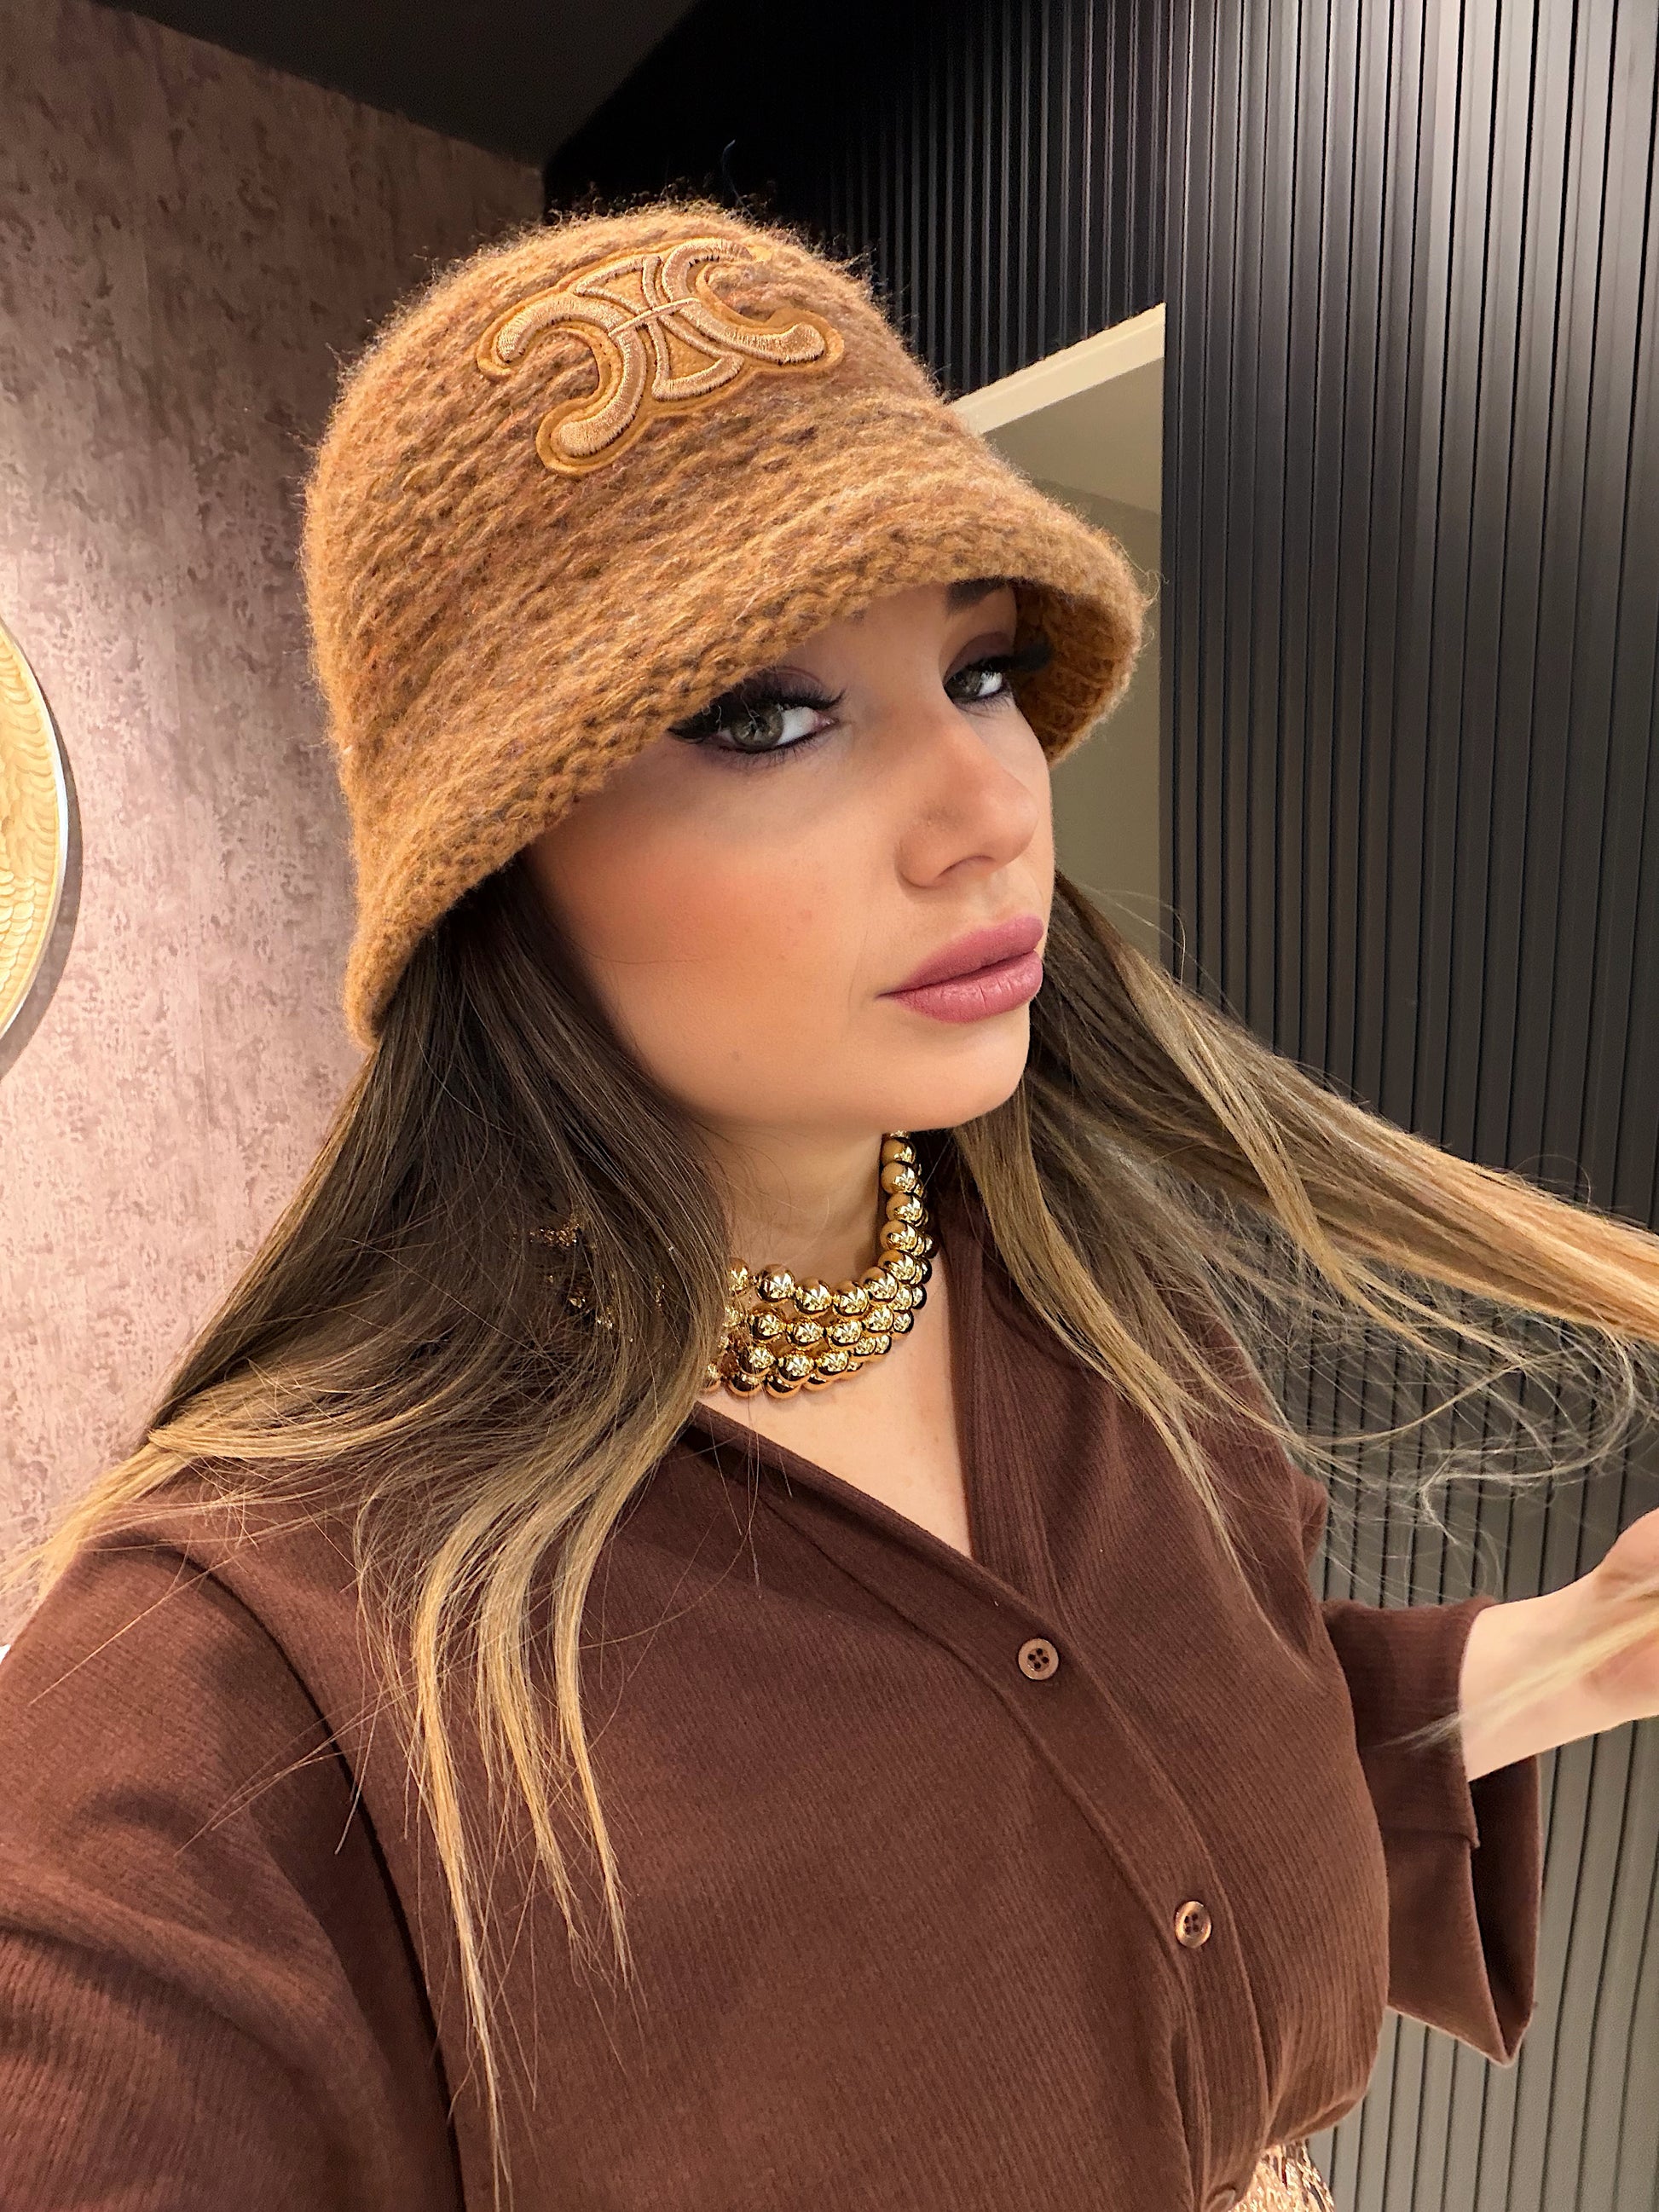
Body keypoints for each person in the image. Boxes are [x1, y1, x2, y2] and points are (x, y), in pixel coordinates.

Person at [2, 199, 1657, 2212]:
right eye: (766, 712)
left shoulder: (1095, 1305)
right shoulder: (250, 1671)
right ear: (493, 864)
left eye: (979, 666)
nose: (994, 803)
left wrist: (1582, 1647)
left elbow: (1184, 1765)